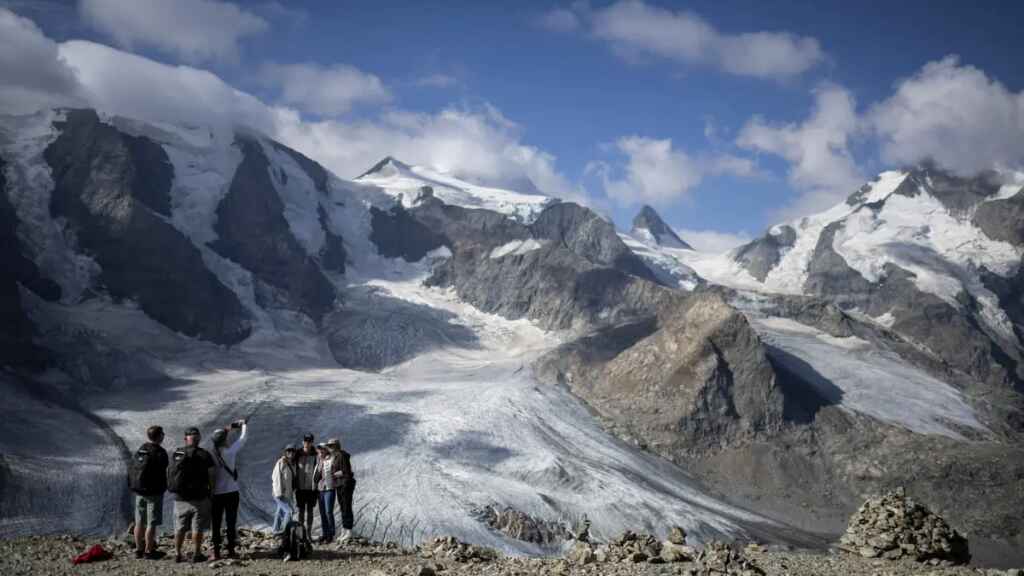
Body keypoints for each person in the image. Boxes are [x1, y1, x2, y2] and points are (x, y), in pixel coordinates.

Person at [168, 427, 216, 563]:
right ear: (199, 438)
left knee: (179, 528)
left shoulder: (177, 453)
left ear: (185, 439)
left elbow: (170, 472)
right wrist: (211, 492)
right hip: (200, 497)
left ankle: (177, 554)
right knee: (197, 528)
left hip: (180, 498)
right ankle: (197, 553)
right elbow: (212, 475)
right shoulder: (204, 454)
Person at [209, 418, 248, 560]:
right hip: (232, 492)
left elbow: (219, 436)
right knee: (231, 522)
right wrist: (243, 425)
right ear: (225, 440)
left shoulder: (211, 453)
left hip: (216, 494)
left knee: (216, 523)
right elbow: (243, 439)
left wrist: (229, 427)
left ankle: (216, 552)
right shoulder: (230, 452)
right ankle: (231, 550)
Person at [129, 425, 169, 560]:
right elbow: (164, 469)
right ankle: (149, 551)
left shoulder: (141, 449)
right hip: (154, 493)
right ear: (159, 436)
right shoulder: (160, 452)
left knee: (139, 521)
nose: (164, 435)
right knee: (151, 523)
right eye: (162, 434)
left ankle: (138, 550)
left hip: (140, 491)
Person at [326, 438, 356, 543]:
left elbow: (346, 471)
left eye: (331, 445)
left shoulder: (341, 456)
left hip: (345, 485)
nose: (329, 447)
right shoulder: (337, 456)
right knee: (343, 507)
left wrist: (335, 474)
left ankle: (348, 531)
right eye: (328, 446)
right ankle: (345, 530)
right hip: (340, 485)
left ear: (336, 446)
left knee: (346, 507)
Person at [294, 433, 318, 539]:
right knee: (301, 511)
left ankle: (308, 533)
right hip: (300, 487)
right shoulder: (297, 453)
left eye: (309, 441)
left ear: (312, 442)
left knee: (310, 511)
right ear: (303, 441)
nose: (307, 443)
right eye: (305, 441)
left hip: (311, 488)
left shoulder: (316, 454)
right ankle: (300, 533)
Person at [271, 445, 298, 536]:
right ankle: (285, 531)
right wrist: (278, 493)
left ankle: (275, 530)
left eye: (292, 451)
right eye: (288, 451)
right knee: (289, 511)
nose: (290, 452)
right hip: (280, 493)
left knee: (279, 512)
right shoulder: (281, 462)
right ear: (285, 452)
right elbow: (276, 478)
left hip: (287, 494)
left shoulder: (292, 464)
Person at [312, 443, 336, 543]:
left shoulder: (331, 459)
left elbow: (335, 471)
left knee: (328, 512)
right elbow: (316, 476)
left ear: (326, 450)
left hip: (329, 489)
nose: (321, 451)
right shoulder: (318, 461)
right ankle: (325, 534)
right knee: (322, 513)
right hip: (320, 490)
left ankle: (330, 534)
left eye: (322, 449)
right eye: (319, 450)